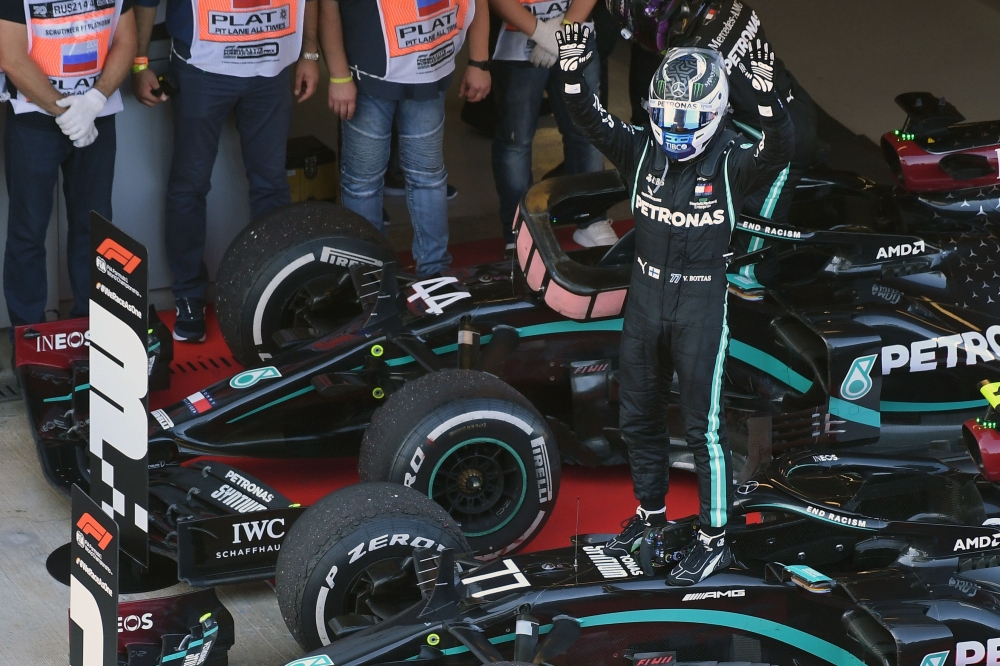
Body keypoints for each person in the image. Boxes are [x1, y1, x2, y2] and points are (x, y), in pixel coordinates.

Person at [556, 23, 793, 584]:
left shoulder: (734, 161)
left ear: (714, 113)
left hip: (700, 303)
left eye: (689, 119)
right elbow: (588, 118)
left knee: (703, 427)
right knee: (635, 416)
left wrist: (770, 103)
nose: (676, 129)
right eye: (667, 115)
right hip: (644, 297)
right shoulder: (640, 149)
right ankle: (651, 514)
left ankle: (715, 537)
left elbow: (782, 147)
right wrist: (568, 75)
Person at [130, 0, 320, 342]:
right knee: (189, 185)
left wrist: (310, 52)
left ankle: (271, 290)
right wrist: (139, 62)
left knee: (271, 185)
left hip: (271, 67)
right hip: (203, 69)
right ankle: (189, 296)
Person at [618, 0, 816, 288]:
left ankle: (751, 296)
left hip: (781, 139)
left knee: (753, 257)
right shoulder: (730, 6)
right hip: (792, 102)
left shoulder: (695, 56)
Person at [321, 0, 491, 277]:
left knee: (427, 177)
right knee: (364, 182)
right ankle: (371, 275)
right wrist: (338, 76)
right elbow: (328, 8)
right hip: (369, 78)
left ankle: (434, 271)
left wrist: (478, 62)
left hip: (428, 72)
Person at [0, 0, 137, 341]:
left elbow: (126, 38)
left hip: (97, 115)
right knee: (28, 232)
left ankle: (94, 328)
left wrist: (95, 100)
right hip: (33, 119)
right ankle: (27, 335)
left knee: (94, 229)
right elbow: (11, 56)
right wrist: (65, 113)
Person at [490, 0, 618, 250]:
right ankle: (520, 228)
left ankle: (591, 220)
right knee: (516, 141)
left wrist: (564, 29)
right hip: (516, 38)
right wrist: (543, 34)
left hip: (576, 32)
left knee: (586, 132)